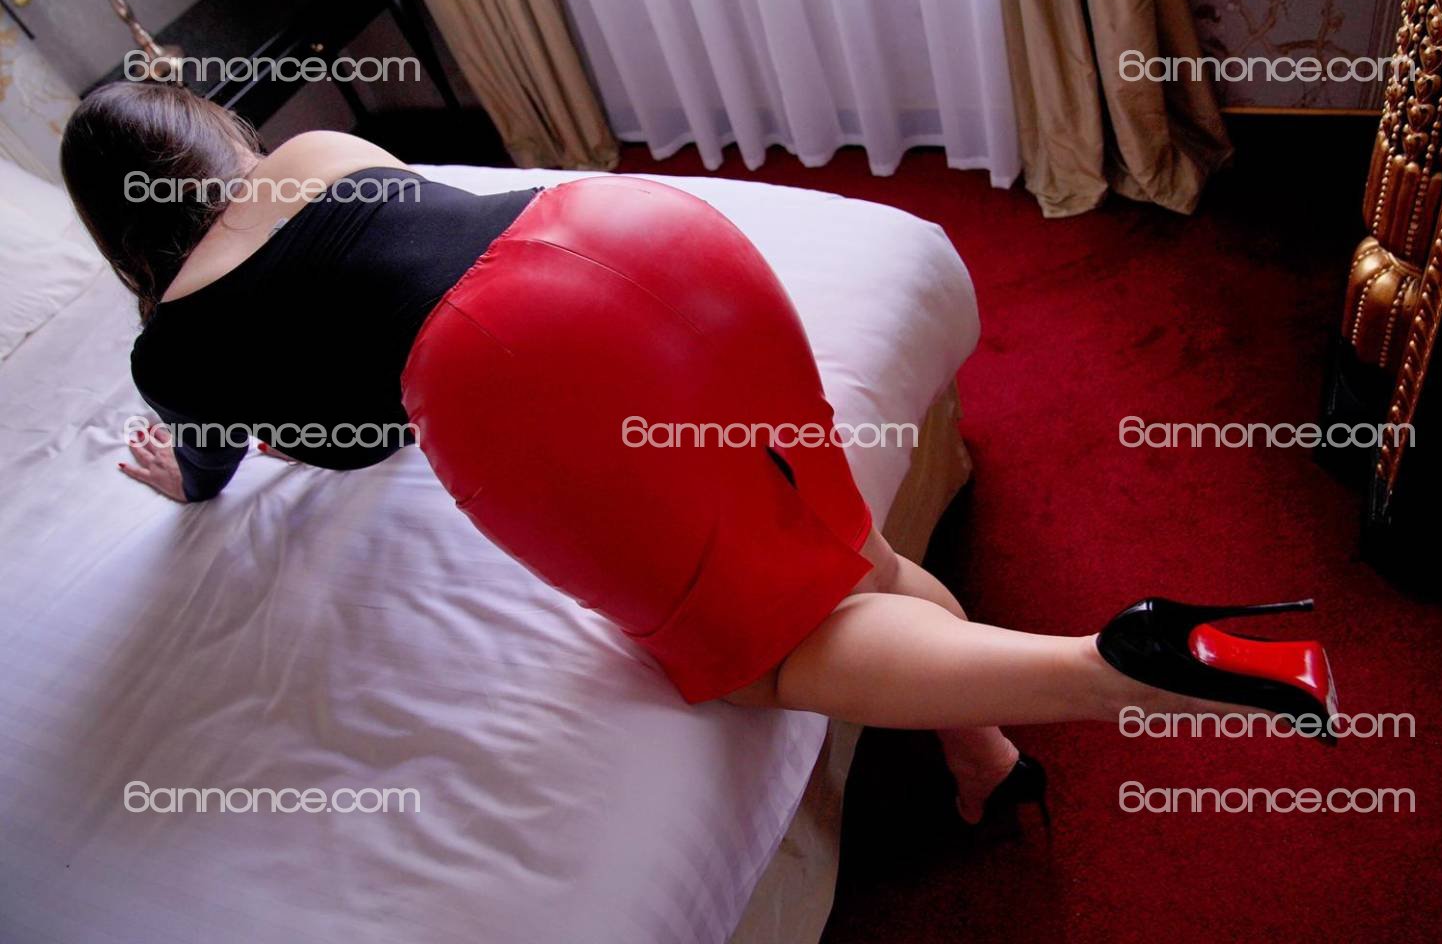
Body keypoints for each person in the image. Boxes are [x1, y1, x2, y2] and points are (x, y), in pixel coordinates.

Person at [63, 83, 1337, 827]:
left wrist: (200, 469)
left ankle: (1109, 669)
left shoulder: (176, 352)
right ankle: (982, 754)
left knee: (766, 654)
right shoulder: (316, 151)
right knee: (841, 543)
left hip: (510, 353)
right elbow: (379, 272)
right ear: (210, 134)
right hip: (637, 233)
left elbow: (349, 428)